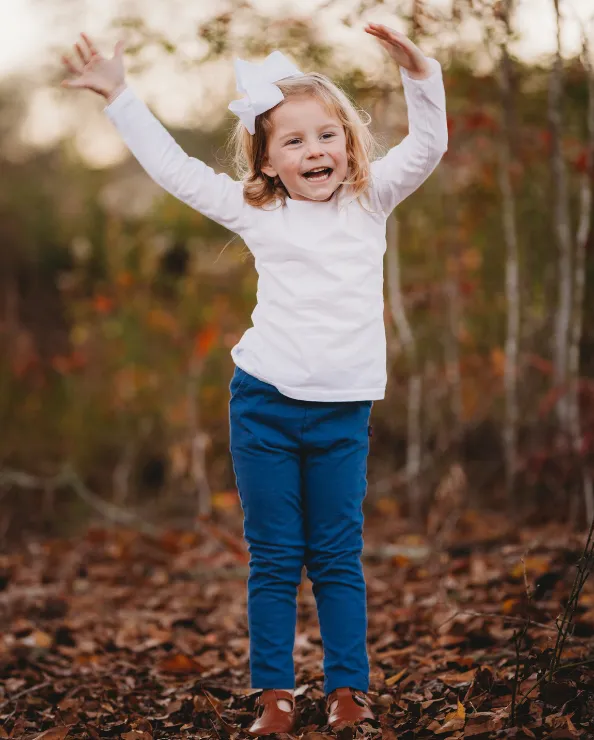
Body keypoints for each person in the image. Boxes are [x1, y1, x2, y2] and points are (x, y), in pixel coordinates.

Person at [61, 22, 447, 735]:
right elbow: (175, 169)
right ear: (267, 162)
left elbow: (426, 145)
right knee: (274, 558)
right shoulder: (257, 211)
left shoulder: (371, 202)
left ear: (348, 142)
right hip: (263, 407)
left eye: (326, 135)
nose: (315, 151)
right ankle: (273, 695)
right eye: (293, 142)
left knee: (335, 555)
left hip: (341, 414)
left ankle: (347, 691)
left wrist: (420, 74)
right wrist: (120, 96)